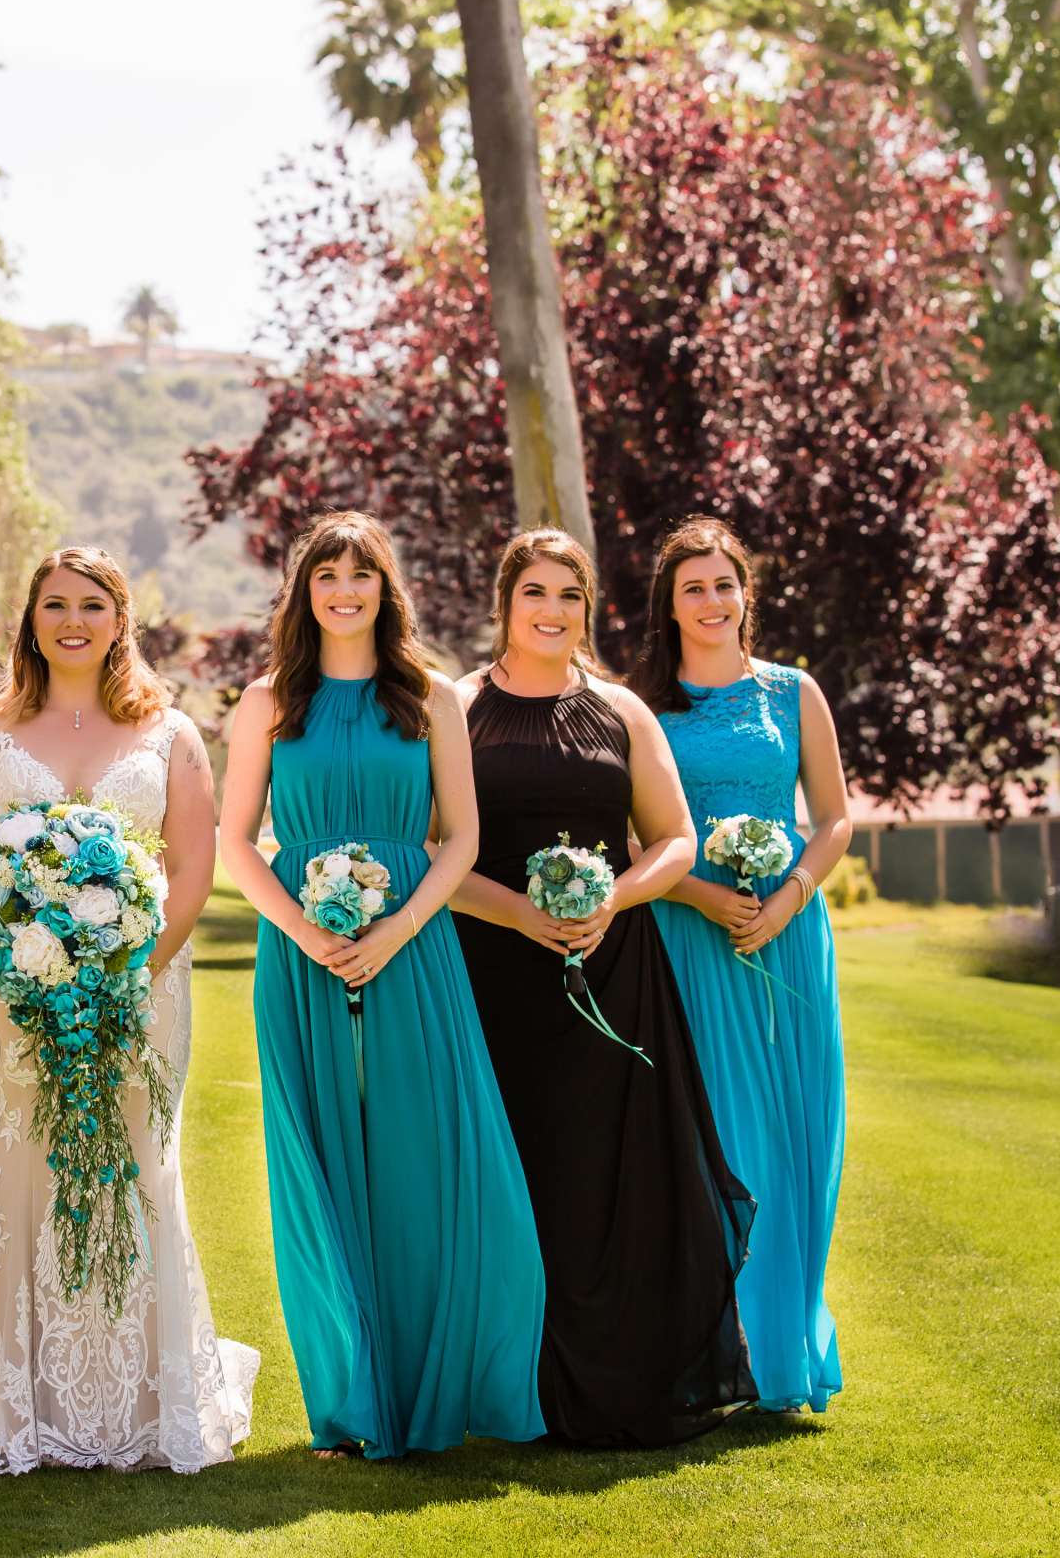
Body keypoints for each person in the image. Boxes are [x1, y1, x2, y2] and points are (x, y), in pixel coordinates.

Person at [217, 510, 547, 1460]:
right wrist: (305, 930)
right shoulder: (267, 701)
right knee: (321, 1159)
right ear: (304, 592)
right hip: (301, 952)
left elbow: (463, 841)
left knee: (428, 1158)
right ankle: (353, 1400)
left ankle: (445, 1381)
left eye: (362, 574)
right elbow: (239, 840)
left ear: (384, 590)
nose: (345, 590)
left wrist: (400, 926)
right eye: (327, 575)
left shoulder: (434, 698)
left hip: (418, 949)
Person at [0, 546, 257, 1473]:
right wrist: (17, 970)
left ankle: (144, 1405)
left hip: (143, 990)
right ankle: (13, 1407)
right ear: (29, 619)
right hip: (16, 997)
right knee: (17, 1169)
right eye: (54, 605)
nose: (72, 621)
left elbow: (193, 869)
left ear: (120, 619)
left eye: (91, 605)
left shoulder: (171, 734)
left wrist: (129, 971)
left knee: (139, 1169)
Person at [447, 525, 755, 1446]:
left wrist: (609, 902)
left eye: (570, 595)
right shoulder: (452, 706)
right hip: (490, 968)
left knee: (606, 1175)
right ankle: (511, 1389)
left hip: (612, 970)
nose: (553, 611)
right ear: (505, 601)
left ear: (588, 608)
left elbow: (674, 840)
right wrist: (520, 915)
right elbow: (429, 848)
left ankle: (619, 1383)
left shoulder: (622, 710)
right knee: (510, 1171)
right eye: (535, 592)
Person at [636, 515, 850, 1414]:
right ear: (671, 606)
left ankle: (785, 1352)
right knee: (719, 1135)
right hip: (692, 932)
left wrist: (791, 894)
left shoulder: (793, 692)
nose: (712, 601)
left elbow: (835, 818)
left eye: (724, 584)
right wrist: (700, 897)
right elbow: (633, 832)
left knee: (800, 1130)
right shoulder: (643, 705)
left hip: (789, 934)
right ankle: (717, 1350)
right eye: (694, 588)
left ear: (745, 594)